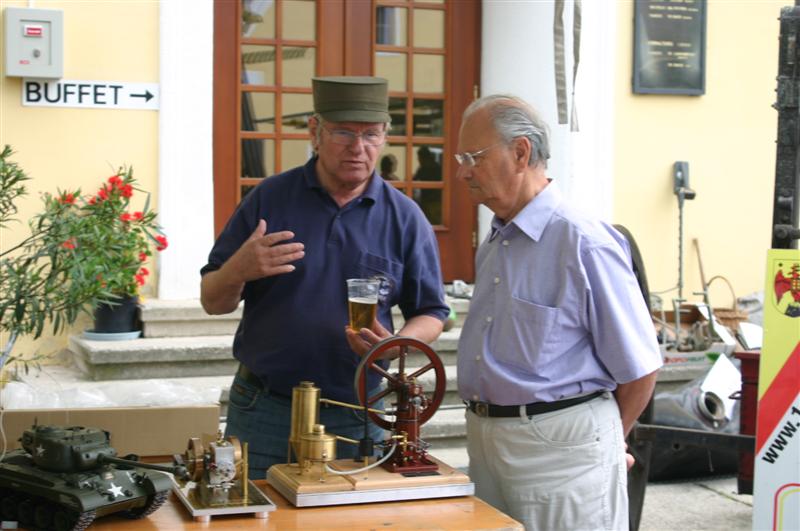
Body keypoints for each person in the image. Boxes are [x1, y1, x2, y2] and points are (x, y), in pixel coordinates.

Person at [200, 76, 449, 479]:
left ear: (385, 137)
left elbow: (433, 311)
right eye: (344, 132)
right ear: (315, 132)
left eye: (371, 134)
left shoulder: (404, 217)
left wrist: (396, 344)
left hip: (357, 412)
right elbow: (213, 301)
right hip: (265, 408)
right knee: (256, 520)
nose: (358, 147)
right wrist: (238, 270)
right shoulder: (269, 199)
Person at [454, 94, 662, 531]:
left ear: (521, 152)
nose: (462, 171)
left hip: (562, 454)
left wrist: (606, 441)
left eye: (473, 156)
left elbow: (640, 368)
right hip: (488, 443)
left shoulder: (583, 240)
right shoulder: (495, 242)